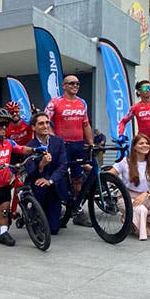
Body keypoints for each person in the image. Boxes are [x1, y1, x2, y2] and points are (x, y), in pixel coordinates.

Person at [0, 108, 45, 246]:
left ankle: (3, 233)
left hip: (4, 184)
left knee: (4, 210)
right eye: (0, 124)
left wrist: (35, 150)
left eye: (7, 124)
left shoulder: (8, 142)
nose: (4, 127)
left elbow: (20, 148)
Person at [45, 74, 94, 226]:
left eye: (77, 84)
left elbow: (85, 124)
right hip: (62, 146)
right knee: (59, 177)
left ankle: (76, 208)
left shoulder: (81, 103)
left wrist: (91, 143)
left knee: (78, 178)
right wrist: (54, 141)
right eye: (71, 83)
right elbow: (45, 123)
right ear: (64, 86)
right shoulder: (55, 102)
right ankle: (57, 207)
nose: (75, 86)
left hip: (78, 145)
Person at [109, 134, 150, 240]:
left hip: (145, 196)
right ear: (134, 147)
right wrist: (95, 172)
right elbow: (109, 175)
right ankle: (129, 219)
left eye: (147, 143)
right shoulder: (125, 162)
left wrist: (146, 194)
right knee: (141, 210)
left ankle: (147, 224)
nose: (145, 145)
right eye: (141, 143)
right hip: (127, 197)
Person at [25, 112, 68, 235]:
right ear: (33, 127)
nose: (45, 126)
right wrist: (41, 165)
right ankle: (32, 213)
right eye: (41, 123)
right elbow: (31, 172)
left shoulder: (58, 142)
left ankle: (48, 214)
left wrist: (50, 180)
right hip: (39, 188)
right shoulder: (29, 147)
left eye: (47, 123)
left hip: (54, 186)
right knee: (39, 185)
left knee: (53, 230)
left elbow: (63, 165)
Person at [117, 80, 150, 147]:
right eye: (144, 88)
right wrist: (121, 134)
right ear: (139, 91)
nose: (147, 90)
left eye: (149, 88)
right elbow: (123, 121)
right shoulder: (135, 108)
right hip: (142, 141)